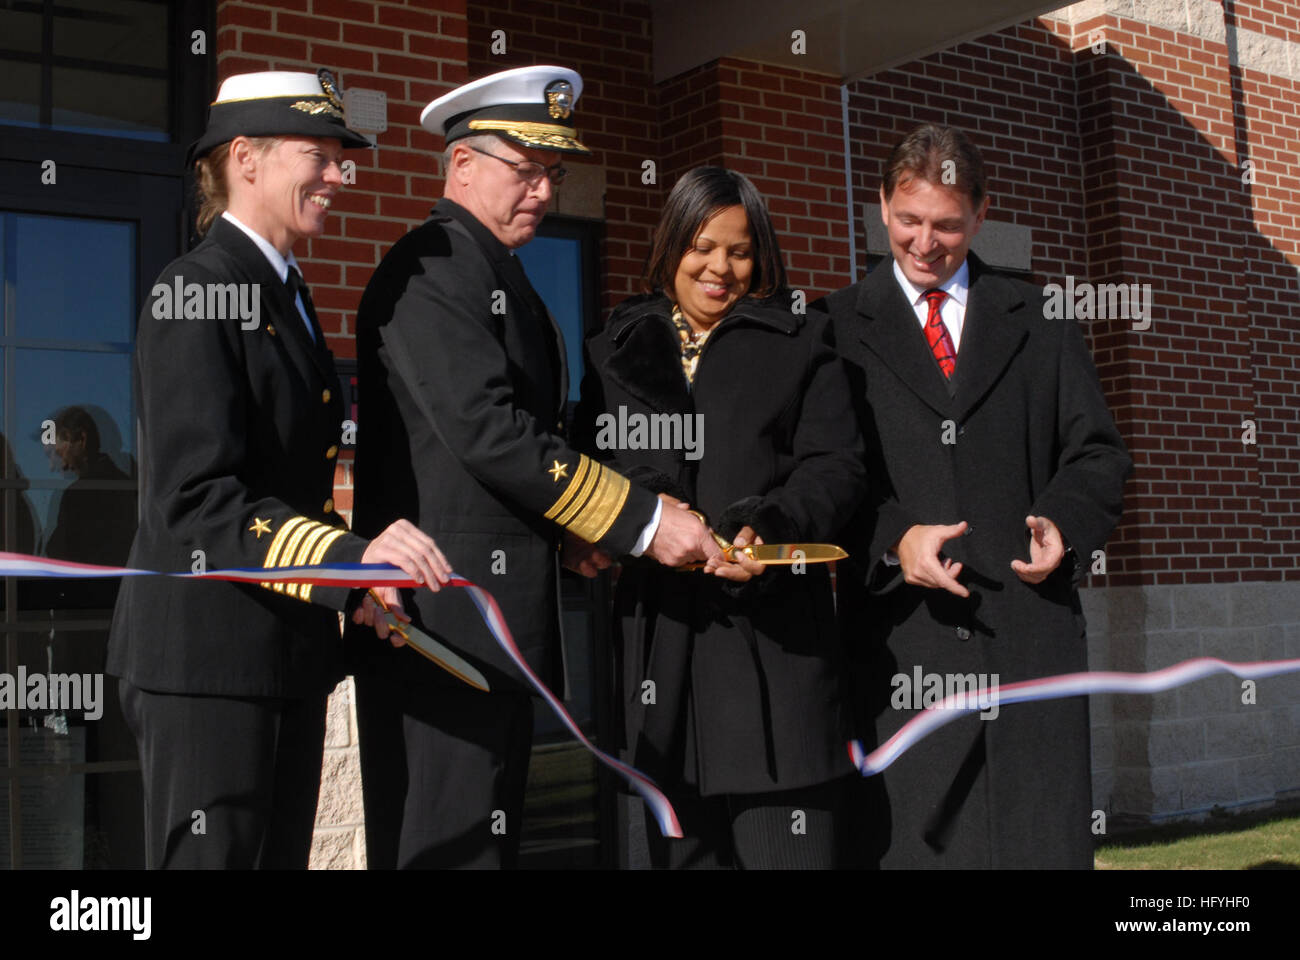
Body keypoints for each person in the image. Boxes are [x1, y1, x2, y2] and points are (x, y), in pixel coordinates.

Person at [349, 65, 723, 870]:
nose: (545, 192)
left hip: (488, 623)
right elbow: (488, 432)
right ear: (461, 166)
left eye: (553, 173)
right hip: (443, 627)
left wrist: (569, 536)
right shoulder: (433, 267)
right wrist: (643, 522)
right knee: (448, 848)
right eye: (526, 171)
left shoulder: (490, 268)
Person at [107, 70, 453, 869]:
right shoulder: (194, 291)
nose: (339, 175)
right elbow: (196, 500)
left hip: (280, 654)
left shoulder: (282, 291)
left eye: (340, 157)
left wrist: (356, 576)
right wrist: (346, 560)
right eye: (319, 155)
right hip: (207, 667)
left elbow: (283, 490)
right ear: (246, 158)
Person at [820, 123, 1132, 868]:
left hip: (1030, 644)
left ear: (982, 215)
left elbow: (1097, 454)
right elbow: (829, 479)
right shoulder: (830, 330)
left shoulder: (1044, 322)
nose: (925, 243)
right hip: (901, 653)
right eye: (908, 221)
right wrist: (895, 539)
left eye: (948, 226)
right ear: (882, 205)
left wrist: (1064, 521)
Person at [573, 166, 865, 869]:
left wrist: (771, 525)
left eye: (739, 250)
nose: (719, 268)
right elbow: (588, 461)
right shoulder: (614, 347)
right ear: (671, 243)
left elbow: (838, 466)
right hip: (661, 651)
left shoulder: (800, 343)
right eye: (702, 246)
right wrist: (628, 517)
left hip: (770, 649)